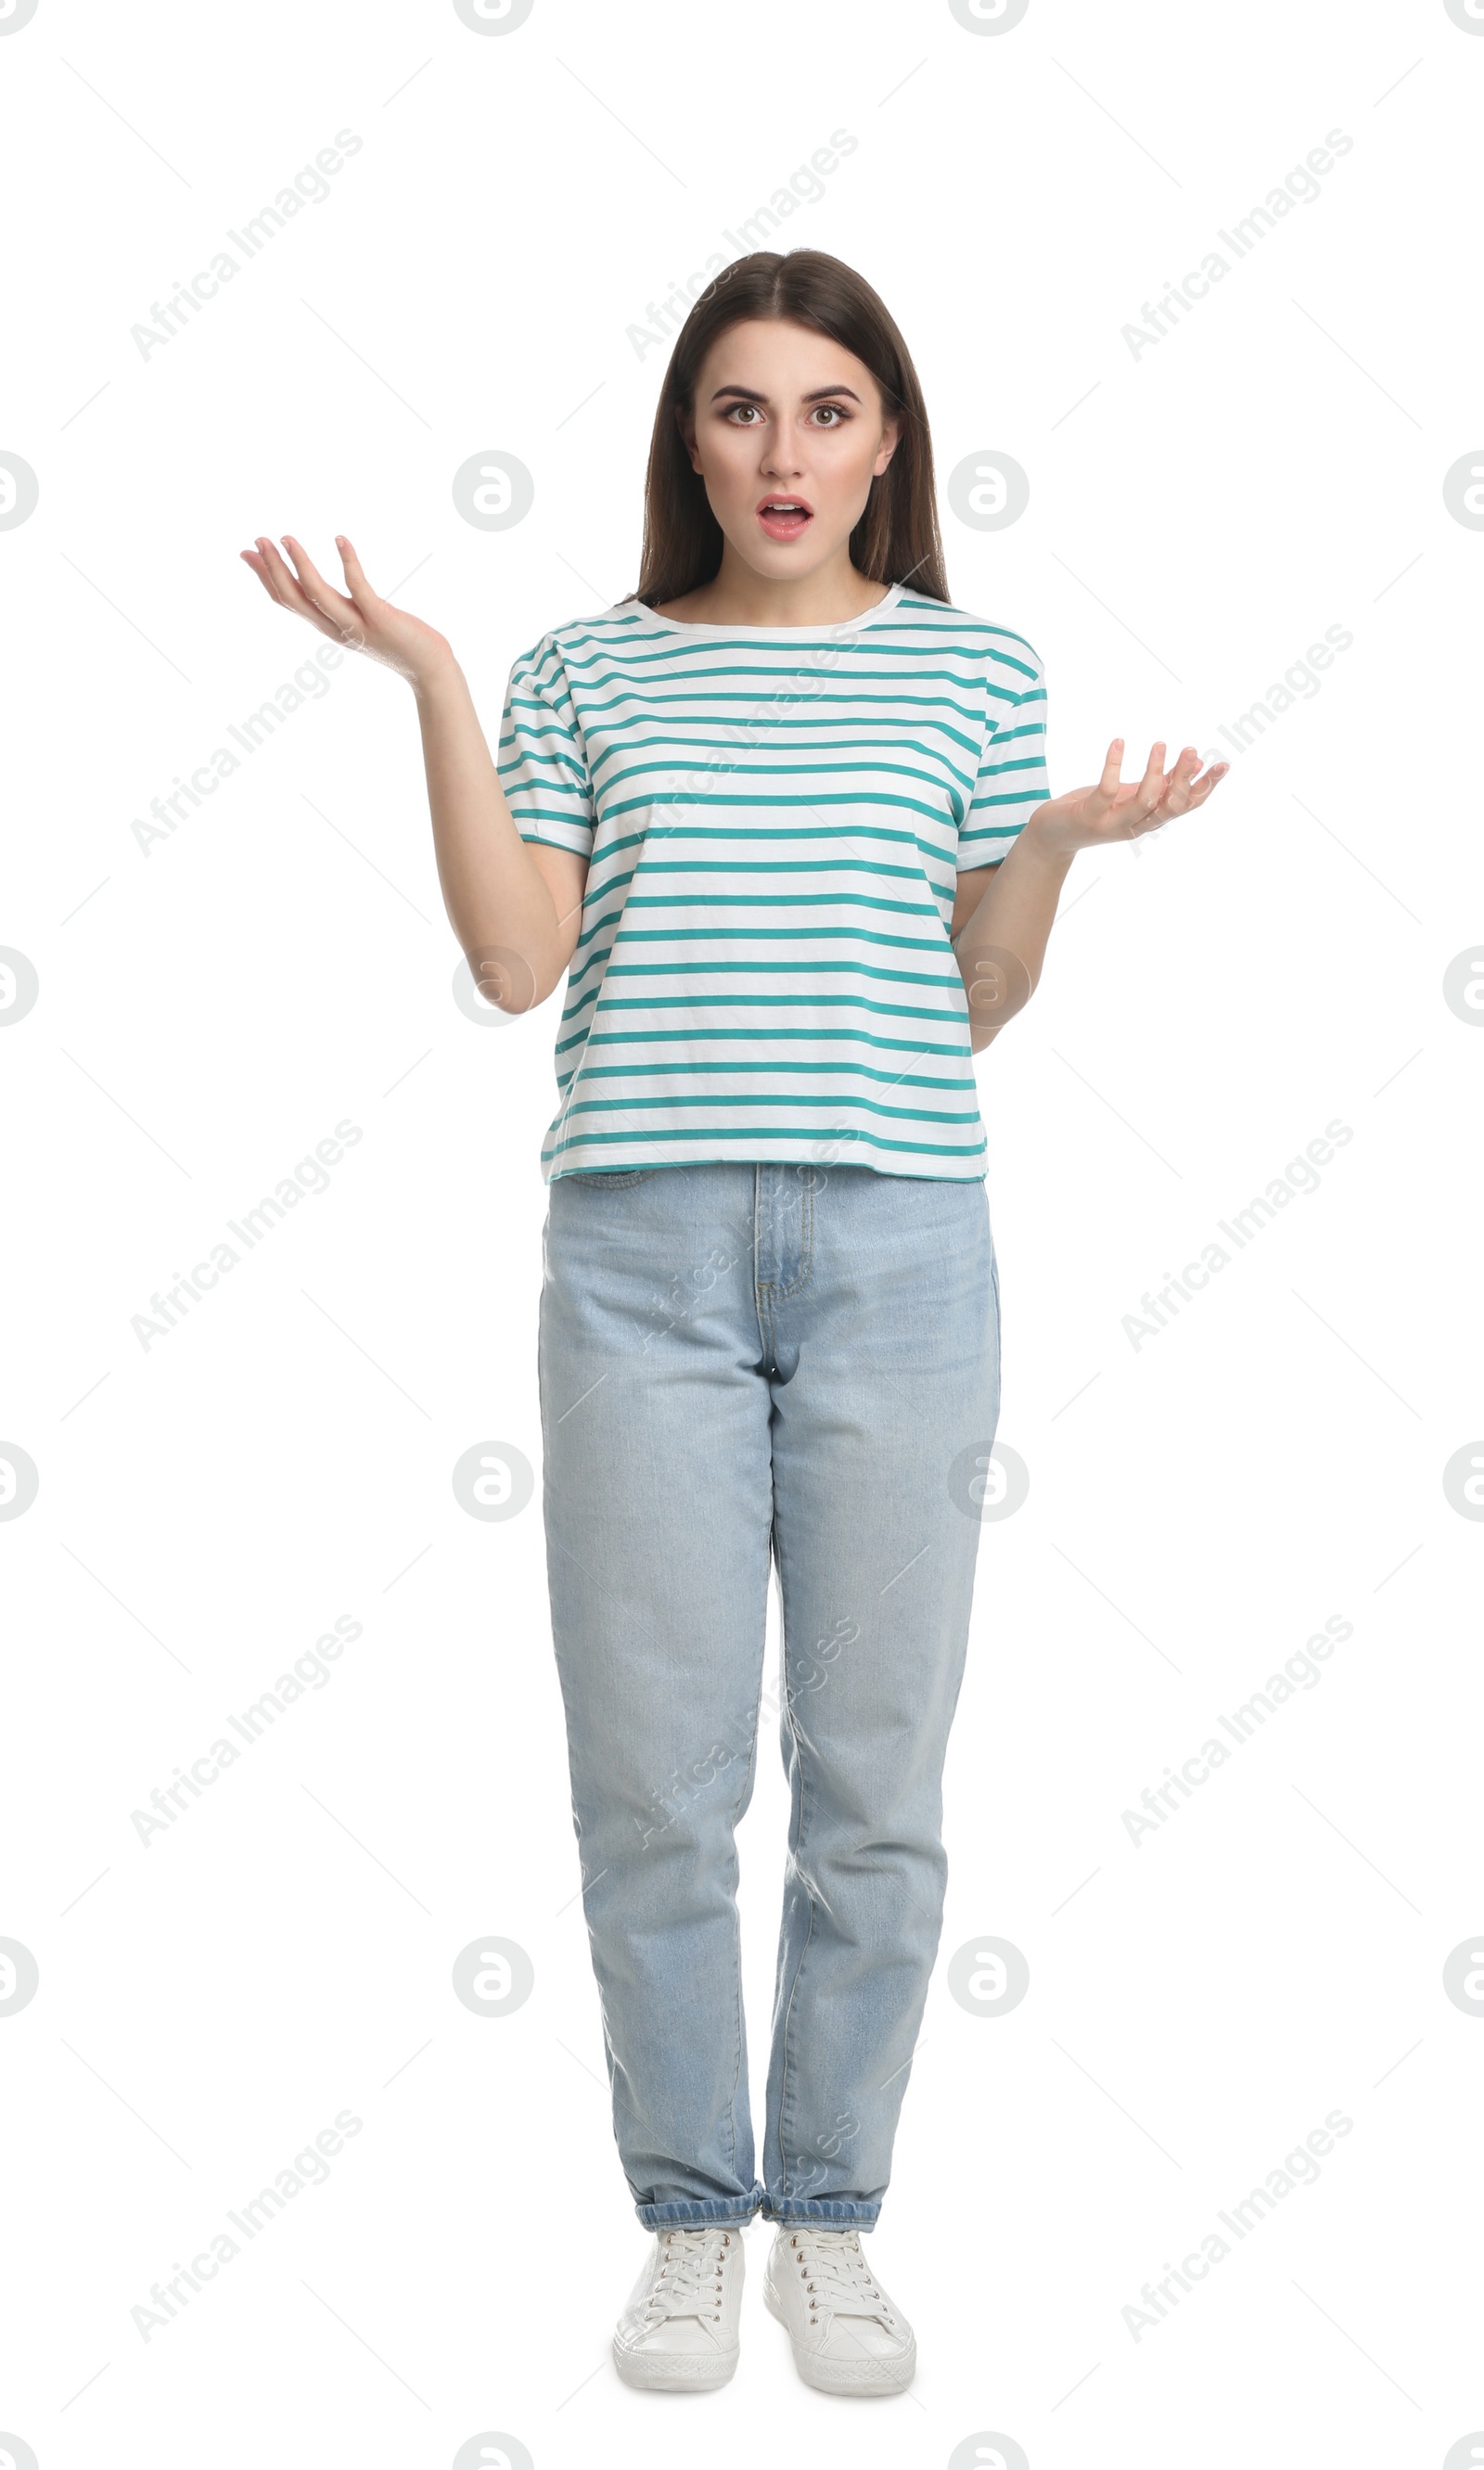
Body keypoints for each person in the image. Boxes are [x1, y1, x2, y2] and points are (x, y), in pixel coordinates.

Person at [241, 246, 1227, 2400]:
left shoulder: (968, 675)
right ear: (687, 435)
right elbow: (517, 971)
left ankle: (834, 2220)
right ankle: (695, 2217)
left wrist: (1052, 840)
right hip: (640, 1263)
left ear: (889, 441)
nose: (782, 454)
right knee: (653, 1791)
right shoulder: (585, 667)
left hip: (897, 1253)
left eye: (827, 410)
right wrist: (419, 668)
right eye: (740, 409)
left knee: (872, 1784)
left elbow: (966, 1004)